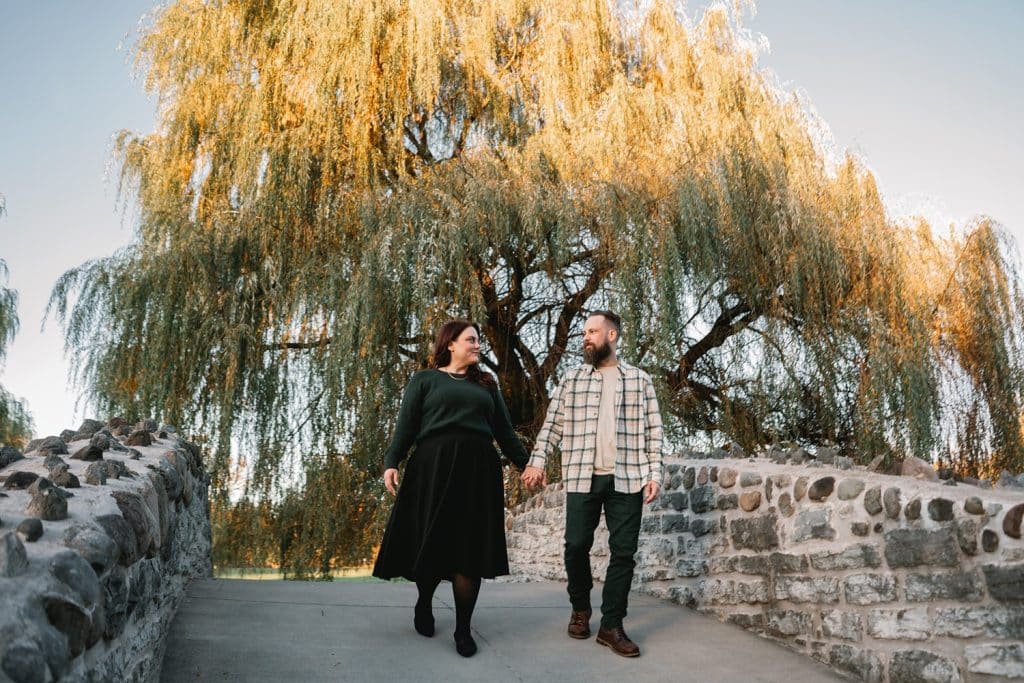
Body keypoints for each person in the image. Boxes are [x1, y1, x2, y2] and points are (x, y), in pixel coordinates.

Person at [372, 320, 530, 658]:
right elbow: (406, 426)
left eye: (477, 340)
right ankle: (424, 603)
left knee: (468, 549)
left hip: (477, 473)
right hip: (432, 467)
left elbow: (504, 432)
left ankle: (462, 629)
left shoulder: (487, 385)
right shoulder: (425, 380)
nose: (477, 345)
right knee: (432, 542)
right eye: (471, 340)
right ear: (451, 344)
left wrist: (527, 465)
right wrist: (391, 461)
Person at [521, 310, 663, 658]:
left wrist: (654, 473)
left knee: (623, 554)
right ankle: (581, 609)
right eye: (584, 332)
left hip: (627, 477)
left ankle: (612, 625)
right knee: (575, 546)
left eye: (593, 331)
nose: (586, 337)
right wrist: (537, 461)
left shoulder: (639, 380)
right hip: (581, 475)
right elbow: (552, 425)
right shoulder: (572, 379)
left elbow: (654, 431)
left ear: (612, 336)